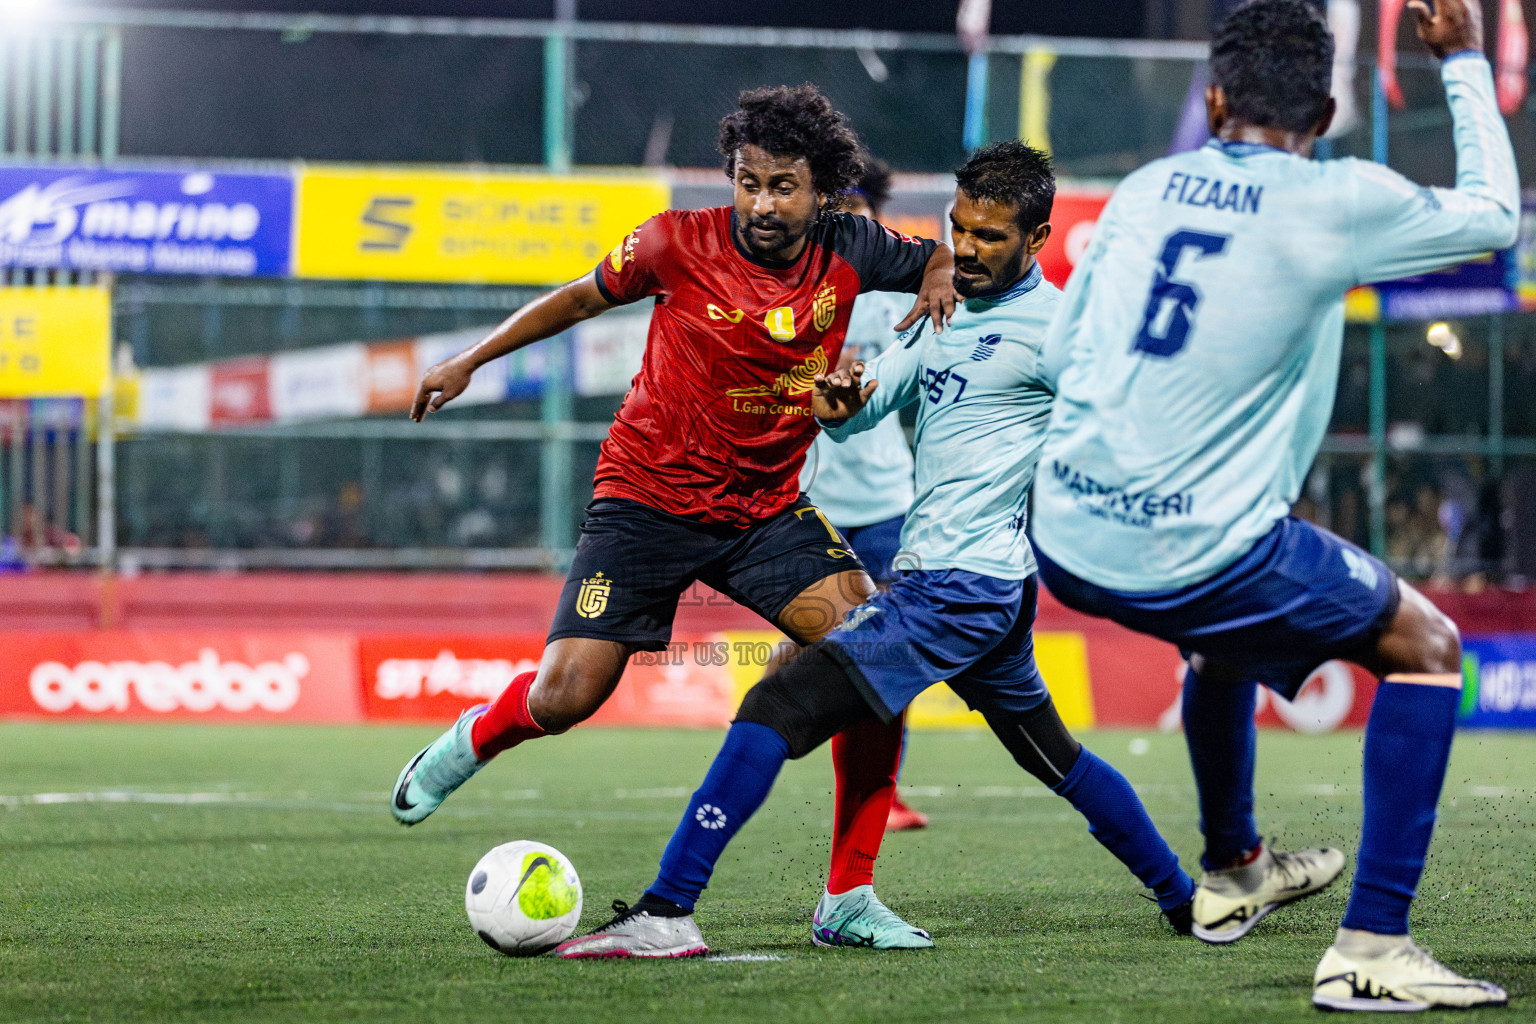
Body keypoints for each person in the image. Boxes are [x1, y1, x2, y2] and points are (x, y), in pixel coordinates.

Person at [554, 141, 1197, 960]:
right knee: (1054, 756)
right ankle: (1187, 901)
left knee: (774, 706)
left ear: (1035, 239)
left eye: (990, 237)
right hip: (976, 592)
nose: (964, 249)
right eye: (958, 229)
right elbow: (865, 404)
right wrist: (839, 401)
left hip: (958, 593)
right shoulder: (947, 309)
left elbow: (1126, 418)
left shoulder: (1059, 328)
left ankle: (667, 909)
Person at [1030, 0, 1516, 1010]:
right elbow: (1496, 217)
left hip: (1065, 532)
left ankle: (1237, 868)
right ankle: (1374, 946)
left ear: (1211, 99)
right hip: (1195, 545)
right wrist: (1463, 61)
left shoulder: (1147, 186)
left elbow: (1059, 357)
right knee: (1426, 646)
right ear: (1329, 108)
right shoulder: (1335, 196)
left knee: (1224, 642)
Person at [389, 85, 957, 947]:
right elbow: (580, 298)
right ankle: (475, 737)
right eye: (749, 182)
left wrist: (944, 270)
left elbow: (937, 256)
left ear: (823, 189)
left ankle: (847, 897)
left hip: (765, 510)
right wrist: (471, 359)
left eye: (784, 186)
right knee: (568, 694)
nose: (764, 203)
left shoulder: (852, 245)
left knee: (874, 659)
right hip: (644, 502)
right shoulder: (674, 242)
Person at [800, 155, 926, 833]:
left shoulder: (904, 289)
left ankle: (882, 790)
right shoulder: (801, 287)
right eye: (838, 210)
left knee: (889, 653)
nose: (850, 222)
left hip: (886, 503)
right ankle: (764, 736)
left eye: (859, 209)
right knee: (814, 653)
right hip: (808, 504)